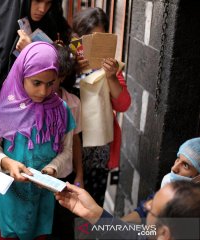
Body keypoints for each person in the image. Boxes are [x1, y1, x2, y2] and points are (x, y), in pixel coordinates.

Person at [0, 42, 76, 240]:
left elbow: (67, 151)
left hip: (43, 198)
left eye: (50, 83)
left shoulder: (62, 110)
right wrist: (8, 163)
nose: (43, 91)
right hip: (9, 196)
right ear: (21, 75)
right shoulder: (6, 107)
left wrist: (51, 169)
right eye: (36, 83)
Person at [72, 7, 131, 205]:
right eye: (87, 37)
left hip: (98, 151)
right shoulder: (68, 62)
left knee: (93, 206)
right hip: (68, 147)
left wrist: (111, 76)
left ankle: (88, 235)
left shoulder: (111, 67)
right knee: (67, 206)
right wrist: (70, 69)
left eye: (99, 38)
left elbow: (123, 105)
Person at [55, 181, 200, 240]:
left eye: (151, 208)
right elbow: (135, 235)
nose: (146, 205)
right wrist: (94, 214)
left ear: (164, 234)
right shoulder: (155, 234)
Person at [122, 137, 200, 224]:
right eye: (178, 159)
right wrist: (116, 226)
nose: (174, 168)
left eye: (185, 165)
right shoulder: (170, 187)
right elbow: (143, 211)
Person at [0, 0, 72, 82]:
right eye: (37, 1)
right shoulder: (6, 13)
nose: (42, 9)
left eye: (48, 3)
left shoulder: (50, 21)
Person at [51, 43, 83, 240]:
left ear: (62, 76)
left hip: (64, 177)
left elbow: (76, 139)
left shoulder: (73, 104)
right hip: (39, 176)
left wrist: (79, 173)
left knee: (62, 228)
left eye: (52, 78)